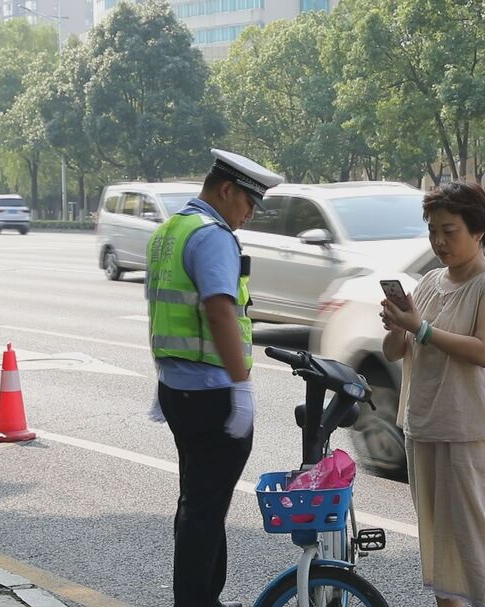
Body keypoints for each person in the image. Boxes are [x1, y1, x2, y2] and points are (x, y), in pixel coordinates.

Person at [380, 181, 485, 607]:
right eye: (432, 231)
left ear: (479, 229)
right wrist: (399, 327)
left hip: (469, 430)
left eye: (450, 231)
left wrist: (421, 328)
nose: (439, 241)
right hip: (424, 425)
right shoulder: (430, 282)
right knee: (438, 543)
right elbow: (397, 350)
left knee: (473, 545)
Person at [146, 149, 283, 607]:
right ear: (226, 191)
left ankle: (204, 598)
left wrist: (166, 375)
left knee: (198, 501)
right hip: (211, 392)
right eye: (247, 204)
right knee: (205, 508)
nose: (247, 215)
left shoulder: (170, 230)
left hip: (178, 390)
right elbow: (220, 311)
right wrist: (242, 386)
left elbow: (168, 311)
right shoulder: (213, 236)